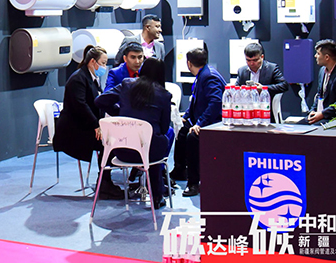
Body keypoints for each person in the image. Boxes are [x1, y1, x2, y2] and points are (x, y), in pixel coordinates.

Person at [95, 58, 174, 209]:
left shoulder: (127, 84)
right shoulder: (164, 95)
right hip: (149, 153)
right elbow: (163, 129)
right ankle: (156, 194)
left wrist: (119, 115)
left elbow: (100, 101)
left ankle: (147, 180)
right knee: (163, 137)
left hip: (122, 150)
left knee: (152, 142)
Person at [53, 45, 125, 199]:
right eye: (103, 63)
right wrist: (96, 125)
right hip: (74, 129)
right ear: (93, 62)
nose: (104, 67)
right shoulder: (78, 79)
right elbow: (81, 105)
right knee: (107, 142)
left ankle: (105, 179)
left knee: (111, 138)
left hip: (85, 124)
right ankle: (104, 183)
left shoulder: (92, 78)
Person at [170, 48, 224, 197]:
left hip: (214, 123)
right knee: (182, 130)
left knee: (192, 138)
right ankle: (180, 170)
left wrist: (200, 124)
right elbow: (195, 100)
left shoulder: (209, 77)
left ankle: (193, 183)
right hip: (202, 119)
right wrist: (186, 116)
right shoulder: (202, 74)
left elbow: (215, 103)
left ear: (189, 63)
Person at [235, 42, 289, 121]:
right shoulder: (242, 71)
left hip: (265, 109)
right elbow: (236, 88)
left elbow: (284, 85)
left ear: (262, 57)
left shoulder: (272, 68)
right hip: (247, 110)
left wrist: (264, 89)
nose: (251, 63)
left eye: (255, 60)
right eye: (248, 60)